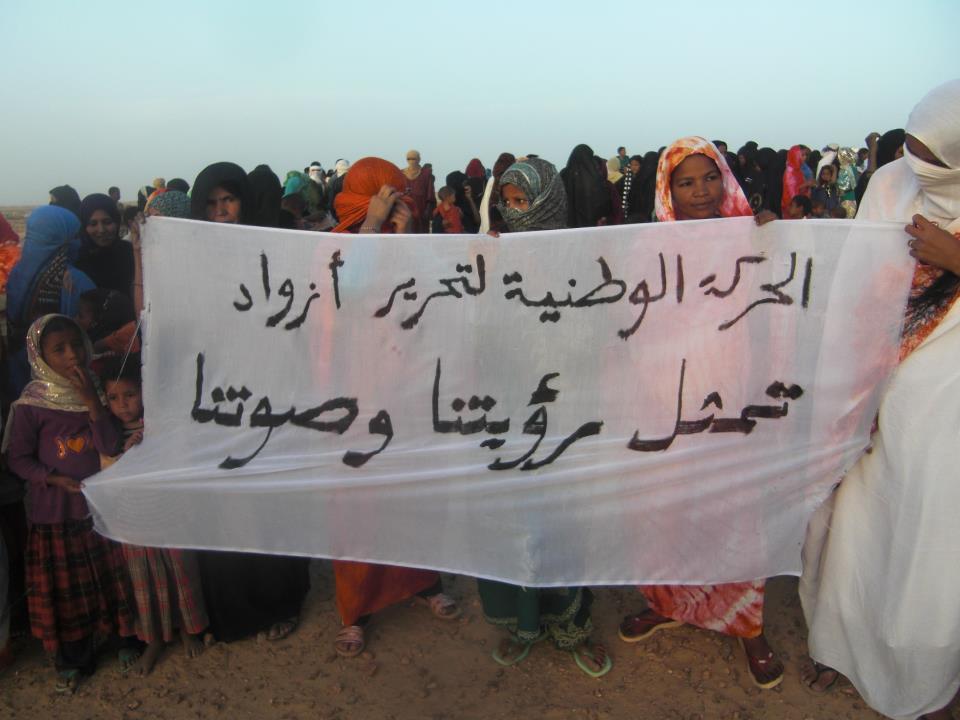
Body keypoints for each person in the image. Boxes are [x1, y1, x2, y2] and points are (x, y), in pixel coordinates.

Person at [800, 78, 960, 720]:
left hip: (944, 409)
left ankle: (921, 667)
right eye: (912, 151)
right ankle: (845, 646)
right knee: (859, 520)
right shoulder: (892, 182)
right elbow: (856, 283)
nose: (918, 170)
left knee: (929, 534)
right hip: (878, 381)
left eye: (936, 161)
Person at [618, 136, 783, 690]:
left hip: (736, 398)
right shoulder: (649, 246)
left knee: (734, 509)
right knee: (665, 510)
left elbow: (778, 308)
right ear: (668, 189)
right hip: (666, 401)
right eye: (686, 182)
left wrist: (775, 235)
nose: (701, 192)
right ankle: (666, 603)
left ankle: (747, 625)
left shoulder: (753, 233)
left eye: (709, 178)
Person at [478, 156, 610, 677]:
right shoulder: (492, 254)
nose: (516, 214)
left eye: (524, 202)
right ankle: (522, 621)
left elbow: (599, 326)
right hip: (507, 410)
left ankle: (571, 626)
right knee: (516, 520)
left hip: (566, 411)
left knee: (562, 521)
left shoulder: (579, 256)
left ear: (549, 199)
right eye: (507, 203)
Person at [329, 156, 461, 656]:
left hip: (406, 386)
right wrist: (371, 229)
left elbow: (428, 298)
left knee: (411, 488)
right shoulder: (336, 238)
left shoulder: (410, 235)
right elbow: (341, 295)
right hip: (352, 394)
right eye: (383, 193)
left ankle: (423, 582)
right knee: (357, 501)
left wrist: (404, 239)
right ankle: (354, 608)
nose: (394, 202)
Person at [187, 161, 311, 645]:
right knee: (222, 502)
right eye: (212, 205)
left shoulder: (277, 248)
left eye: (229, 201)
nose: (222, 213)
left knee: (269, 500)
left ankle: (281, 601)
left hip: (272, 394)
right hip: (214, 399)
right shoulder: (189, 257)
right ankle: (231, 612)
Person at [3, 314, 135, 692]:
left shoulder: (97, 390)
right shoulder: (30, 405)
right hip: (56, 514)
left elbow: (110, 445)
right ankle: (75, 657)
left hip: (99, 508)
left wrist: (92, 402)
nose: (72, 354)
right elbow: (18, 459)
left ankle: (124, 640)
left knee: (111, 579)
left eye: (76, 344)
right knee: (67, 589)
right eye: (58, 349)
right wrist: (51, 478)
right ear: (39, 356)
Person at [98, 359, 208, 675]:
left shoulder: (160, 425)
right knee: (144, 581)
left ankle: (189, 630)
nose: (124, 405)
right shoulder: (110, 436)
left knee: (179, 570)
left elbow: (179, 459)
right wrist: (127, 455)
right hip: (133, 519)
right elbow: (108, 475)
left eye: (130, 394)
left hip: (168, 513)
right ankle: (154, 639)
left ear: (145, 392)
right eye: (115, 398)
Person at [5, 207, 95, 400]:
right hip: (64, 380)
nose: (78, 242)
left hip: (20, 372)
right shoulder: (75, 281)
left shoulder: (16, 274)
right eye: (74, 236)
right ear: (63, 238)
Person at [75, 194, 134, 296]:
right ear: (84, 226)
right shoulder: (76, 261)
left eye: (107, 222)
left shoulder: (131, 253)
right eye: (93, 224)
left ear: (117, 221)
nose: (101, 230)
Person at [561, 144, 613, 227]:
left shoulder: (565, 173)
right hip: (591, 224)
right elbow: (602, 200)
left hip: (569, 223)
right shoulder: (595, 176)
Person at [401, 150, 435, 233]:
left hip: (421, 209)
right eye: (409, 159)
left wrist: (428, 211)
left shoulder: (426, 174)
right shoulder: (401, 173)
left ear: (419, 159)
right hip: (406, 210)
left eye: (414, 158)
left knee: (421, 234)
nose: (411, 161)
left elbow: (430, 195)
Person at [781, 145, 813, 216]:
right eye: (802, 155)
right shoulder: (790, 172)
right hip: (792, 209)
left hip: (799, 208)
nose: (805, 157)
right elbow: (791, 193)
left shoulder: (798, 170)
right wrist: (806, 184)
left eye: (806, 155)